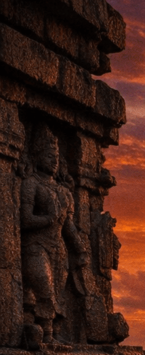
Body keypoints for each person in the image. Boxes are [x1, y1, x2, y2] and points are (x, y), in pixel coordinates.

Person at [21, 125, 86, 343]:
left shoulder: (63, 192)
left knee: (57, 295)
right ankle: (44, 334)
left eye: (56, 157)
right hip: (35, 246)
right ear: (37, 157)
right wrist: (49, 219)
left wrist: (80, 248)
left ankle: (52, 335)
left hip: (58, 250)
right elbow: (25, 219)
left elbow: (68, 225)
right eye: (49, 156)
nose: (54, 160)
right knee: (44, 289)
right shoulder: (31, 184)